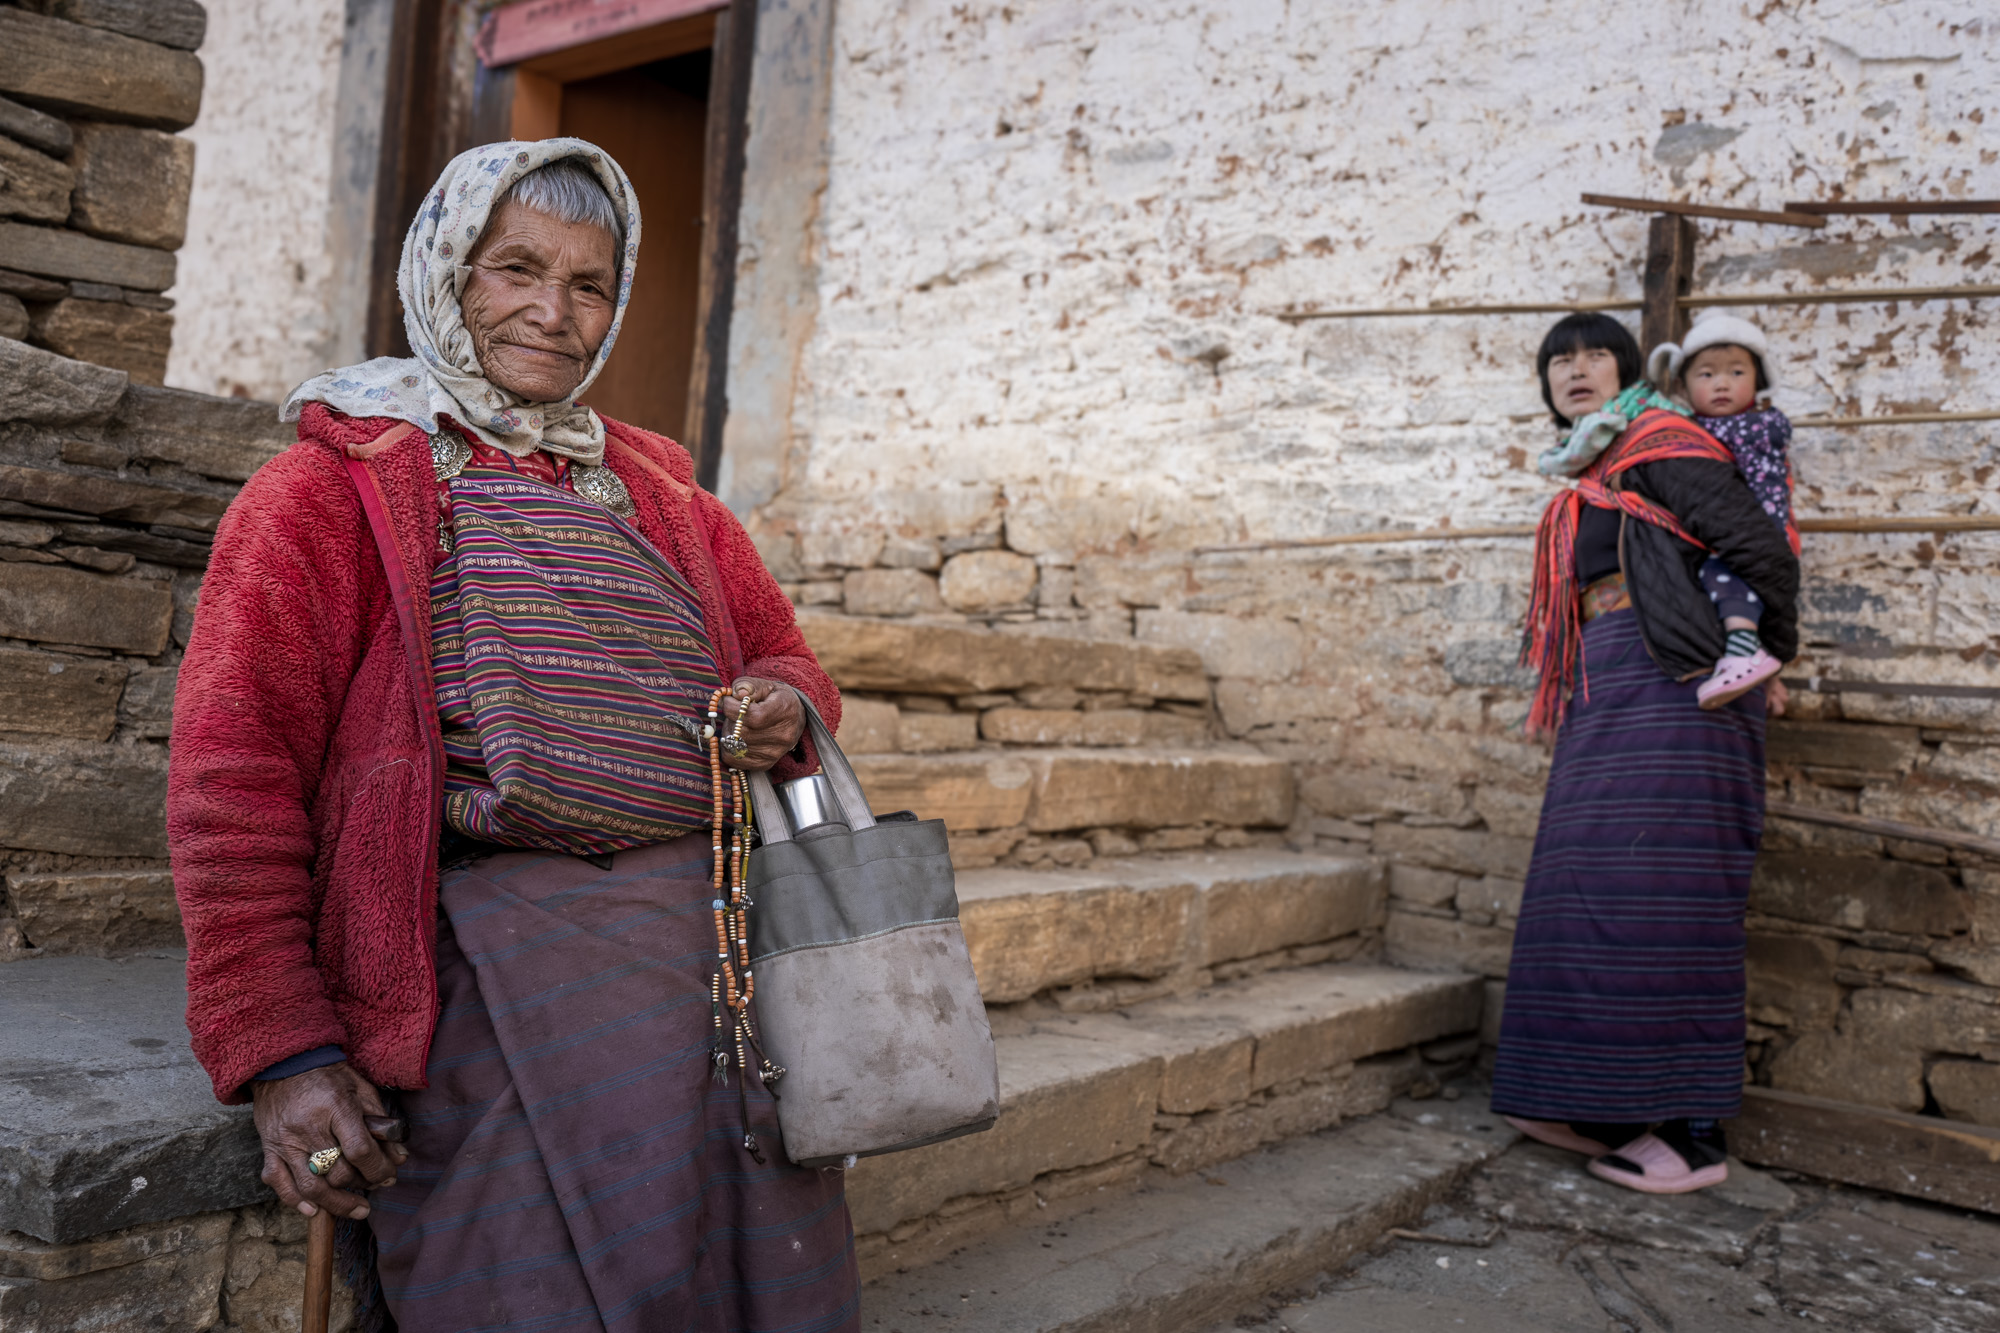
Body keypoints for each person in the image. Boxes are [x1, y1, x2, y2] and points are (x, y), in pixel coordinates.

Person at [168, 140, 859, 1331]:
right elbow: (233, 777)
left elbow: (785, 661)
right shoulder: (329, 491)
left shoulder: (664, 497)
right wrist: (282, 1048)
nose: (553, 312)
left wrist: (783, 706)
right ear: (447, 270)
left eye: (589, 285)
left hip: (710, 960)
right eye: (515, 269)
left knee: (754, 1281)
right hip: (486, 961)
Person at [1491, 311, 1799, 1195]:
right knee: (1581, 885)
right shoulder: (1589, 472)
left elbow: (1761, 549)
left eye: (1596, 355)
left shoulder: (1661, 440)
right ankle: (1594, 1104)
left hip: (1684, 687)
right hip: (1613, 684)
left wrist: (1766, 651)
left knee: (1671, 895)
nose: (1576, 370)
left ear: (1629, 373)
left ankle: (1694, 1137)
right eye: (1560, 361)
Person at [1649, 309, 1800, 709]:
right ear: (1684, 384)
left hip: (1753, 530)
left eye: (1736, 373)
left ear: (1758, 382)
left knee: (1728, 580)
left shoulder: (1756, 425)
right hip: (1718, 533)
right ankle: (1763, 671)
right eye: (1707, 374)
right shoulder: (1690, 428)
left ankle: (1745, 656)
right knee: (1731, 595)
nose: (1721, 384)